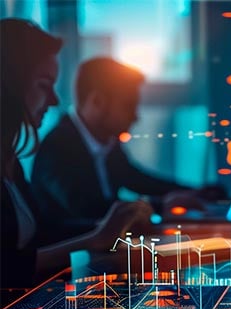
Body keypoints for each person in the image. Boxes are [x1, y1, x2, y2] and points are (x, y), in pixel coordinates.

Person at [0, 19, 150, 303]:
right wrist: (94, 238)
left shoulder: (11, 162)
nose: (55, 100)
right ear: (8, 88)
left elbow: (44, 233)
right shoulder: (57, 148)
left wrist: (103, 231)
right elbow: (7, 267)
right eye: (44, 86)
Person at [31, 57, 216, 244]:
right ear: (97, 101)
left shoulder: (106, 142)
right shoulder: (57, 147)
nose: (135, 117)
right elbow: (88, 208)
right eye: (128, 106)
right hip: (66, 267)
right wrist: (159, 205)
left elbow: (137, 179)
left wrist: (195, 193)